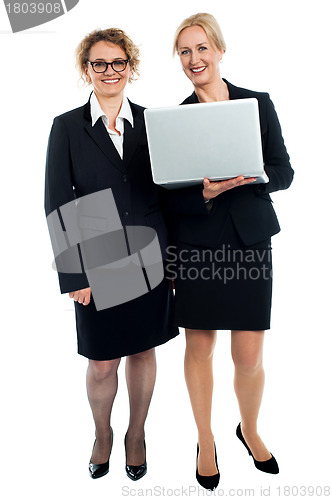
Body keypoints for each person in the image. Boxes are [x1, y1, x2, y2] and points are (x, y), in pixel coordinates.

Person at [163, 13, 294, 490]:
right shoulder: (173, 119)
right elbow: (167, 195)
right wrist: (205, 192)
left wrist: (255, 175)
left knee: (249, 355)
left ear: (219, 50)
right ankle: (204, 439)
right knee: (198, 346)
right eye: (184, 52)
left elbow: (285, 171)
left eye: (201, 48)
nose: (194, 59)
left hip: (249, 240)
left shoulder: (258, 104)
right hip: (196, 244)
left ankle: (250, 429)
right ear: (179, 60)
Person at [44, 28, 178, 481]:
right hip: (98, 262)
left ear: (130, 68)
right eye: (99, 63)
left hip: (151, 258)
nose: (109, 71)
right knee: (102, 361)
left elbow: (169, 195)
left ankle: (136, 434)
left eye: (118, 62)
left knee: (143, 352)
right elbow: (58, 201)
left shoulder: (152, 122)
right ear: (87, 70)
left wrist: (173, 260)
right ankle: (102, 434)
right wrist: (72, 276)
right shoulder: (67, 126)